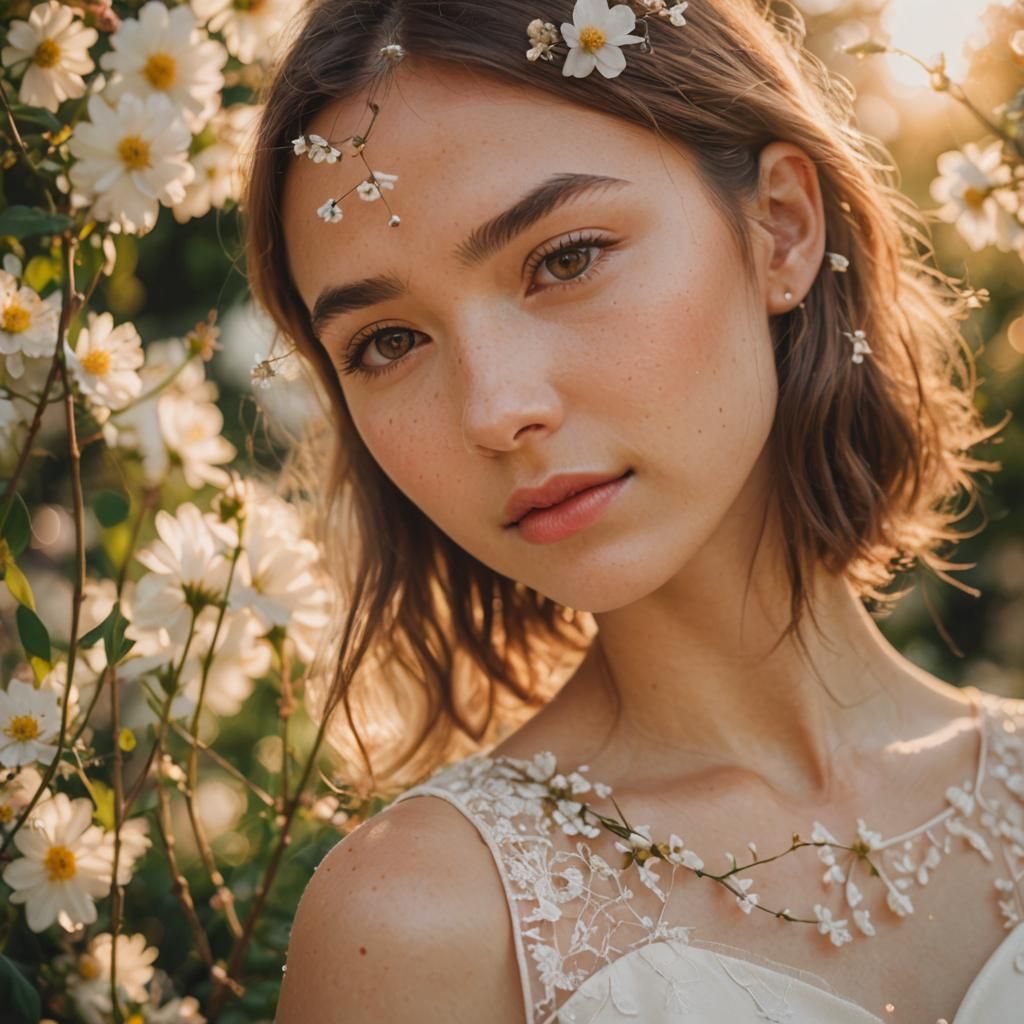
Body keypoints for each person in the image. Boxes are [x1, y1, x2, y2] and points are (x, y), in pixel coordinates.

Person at [245, 1, 1023, 1021]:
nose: (495, 409)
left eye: (563, 259)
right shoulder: (421, 920)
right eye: (387, 342)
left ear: (780, 228)